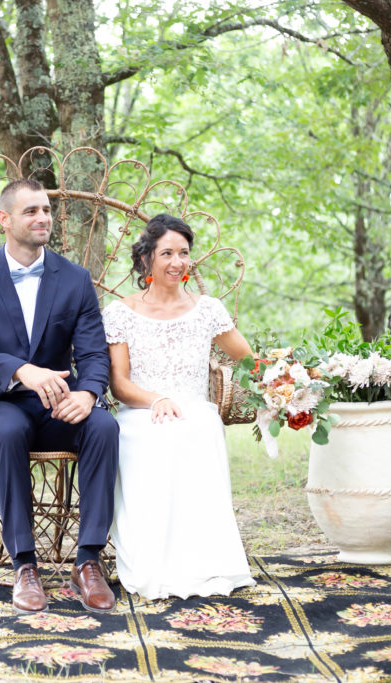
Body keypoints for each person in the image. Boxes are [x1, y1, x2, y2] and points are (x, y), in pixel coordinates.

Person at [0, 178, 120, 615]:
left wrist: (89, 393)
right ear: (4, 219)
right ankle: (25, 565)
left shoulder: (75, 279)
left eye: (46, 210)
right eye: (31, 211)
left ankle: (88, 560)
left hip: (62, 404)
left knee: (103, 426)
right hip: (4, 403)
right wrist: (21, 370)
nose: (43, 217)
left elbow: (94, 352)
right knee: (5, 433)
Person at [102, 213, 257, 600]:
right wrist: (157, 400)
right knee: (152, 438)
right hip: (142, 411)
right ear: (146, 260)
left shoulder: (207, 310)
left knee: (198, 428)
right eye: (167, 253)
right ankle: (155, 562)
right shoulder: (121, 312)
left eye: (184, 253)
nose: (177, 262)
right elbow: (118, 383)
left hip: (194, 409)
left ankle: (205, 562)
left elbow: (248, 359)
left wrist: (287, 381)